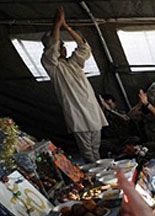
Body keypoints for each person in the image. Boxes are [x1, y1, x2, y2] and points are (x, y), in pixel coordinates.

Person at [41, 7, 107, 162]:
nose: (62, 48)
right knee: (88, 153)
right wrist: (57, 26)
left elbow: (84, 47)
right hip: (77, 114)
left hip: (92, 110)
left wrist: (66, 27)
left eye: (63, 45)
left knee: (96, 149)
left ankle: (100, 172)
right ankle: (94, 173)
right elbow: (52, 48)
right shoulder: (53, 66)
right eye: (60, 45)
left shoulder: (73, 63)